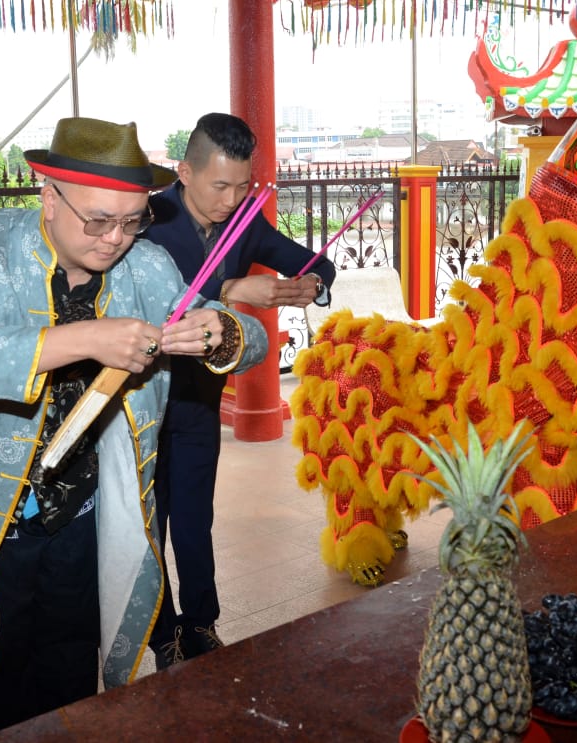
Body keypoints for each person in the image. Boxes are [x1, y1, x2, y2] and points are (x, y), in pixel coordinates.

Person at [0, 116, 269, 737]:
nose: (115, 240)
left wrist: (220, 331)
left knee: (72, 683)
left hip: (88, 518)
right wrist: (82, 339)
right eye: (99, 220)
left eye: (132, 222)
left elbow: (254, 338)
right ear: (49, 196)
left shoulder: (147, 268)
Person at [144, 112, 336, 668]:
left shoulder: (242, 223)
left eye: (242, 186)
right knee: (148, 521)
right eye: (219, 186)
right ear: (185, 171)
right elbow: (157, 299)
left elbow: (313, 261)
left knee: (194, 518)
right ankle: (161, 635)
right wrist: (232, 287)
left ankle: (200, 623)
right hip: (144, 397)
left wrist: (310, 283)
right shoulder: (148, 218)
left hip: (199, 397)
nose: (231, 200)